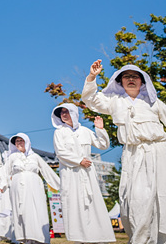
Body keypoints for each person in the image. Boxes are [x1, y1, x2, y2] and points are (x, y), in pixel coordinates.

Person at [82, 60, 166, 244]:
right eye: (126, 76)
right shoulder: (114, 101)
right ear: (120, 81)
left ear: (142, 81)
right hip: (134, 154)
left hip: (160, 152)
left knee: (165, 197)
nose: (131, 79)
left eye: (135, 76)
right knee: (136, 199)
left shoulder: (153, 102)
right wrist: (92, 76)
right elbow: (90, 99)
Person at [50, 103, 115, 244]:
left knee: (92, 203)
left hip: (87, 172)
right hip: (70, 172)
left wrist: (100, 129)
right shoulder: (59, 132)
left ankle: (97, 237)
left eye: (67, 111)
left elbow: (103, 145)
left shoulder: (85, 131)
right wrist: (79, 160)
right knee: (74, 203)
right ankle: (78, 238)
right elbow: (61, 153)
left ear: (74, 113)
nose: (64, 115)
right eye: (61, 113)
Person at [1, 134, 59, 244]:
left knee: (37, 210)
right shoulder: (12, 157)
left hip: (34, 187)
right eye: (16, 141)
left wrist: (60, 186)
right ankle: (26, 238)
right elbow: (5, 172)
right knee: (22, 212)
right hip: (18, 188)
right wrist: (2, 186)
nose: (19, 143)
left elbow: (47, 171)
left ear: (26, 142)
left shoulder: (35, 157)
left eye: (21, 140)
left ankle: (40, 238)